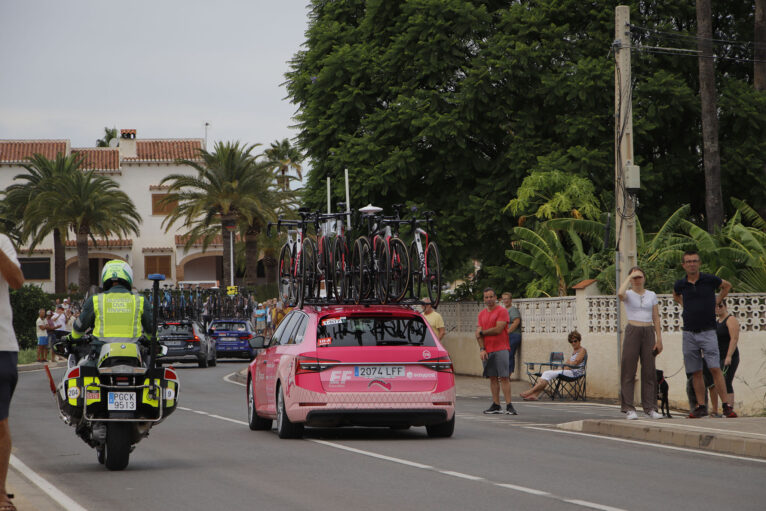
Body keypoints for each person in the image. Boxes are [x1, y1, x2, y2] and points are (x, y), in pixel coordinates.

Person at [672, 250, 735, 418]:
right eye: (688, 261)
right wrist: (684, 304)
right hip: (689, 333)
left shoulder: (709, 280)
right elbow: (675, 295)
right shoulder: (681, 284)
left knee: (715, 367)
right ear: (683, 265)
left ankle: (726, 405)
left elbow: (727, 285)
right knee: (695, 371)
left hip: (708, 331)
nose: (692, 264)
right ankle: (701, 406)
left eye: (694, 261)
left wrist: (718, 300)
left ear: (699, 263)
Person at [68, 260, 153, 363]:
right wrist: (150, 340)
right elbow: (151, 329)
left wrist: (72, 338)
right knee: (147, 369)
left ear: (105, 277)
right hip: (133, 353)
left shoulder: (96, 299)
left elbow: (79, 327)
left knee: (84, 371)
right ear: (128, 277)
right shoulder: (140, 300)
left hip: (101, 351)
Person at [618, 267, 664, 420]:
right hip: (633, 330)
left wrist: (659, 339)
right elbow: (619, 294)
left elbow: (656, 317)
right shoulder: (628, 294)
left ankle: (650, 407)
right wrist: (629, 276)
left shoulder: (651, 294)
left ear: (644, 278)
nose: (637, 280)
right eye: (634, 277)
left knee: (649, 370)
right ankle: (629, 408)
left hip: (648, 331)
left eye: (640, 277)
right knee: (629, 369)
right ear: (631, 279)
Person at [0, 232, 24, 511]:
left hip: (1, 345)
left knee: (0, 421)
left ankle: (0, 492)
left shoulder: (2, 241)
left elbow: (17, 281)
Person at [475, 288, 516, 415]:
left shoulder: (502, 311)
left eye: (491, 297)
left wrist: (482, 332)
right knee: (492, 378)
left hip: (501, 349)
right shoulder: (481, 314)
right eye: (486, 297)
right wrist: (482, 349)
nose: (489, 299)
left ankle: (509, 405)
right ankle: (496, 404)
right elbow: (478, 334)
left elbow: (498, 329)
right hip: (488, 350)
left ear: (495, 297)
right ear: (484, 299)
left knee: (504, 377)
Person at [520, 331, 587, 401]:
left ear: (579, 340)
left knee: (547, 374)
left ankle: (530, 392)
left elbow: (575, 363)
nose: (573, 343)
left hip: (575, 374)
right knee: (546, 374)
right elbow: (568, 365)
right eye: (571, 341)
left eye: (575, 341)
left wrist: (568, 364)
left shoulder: (582, 350)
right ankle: (534, 395)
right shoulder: (574, 352)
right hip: (569, 372)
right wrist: (561, 368)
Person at [710, 300, 740, 417]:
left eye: (720, 305)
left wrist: (729, 356)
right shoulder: (717, 322)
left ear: (725, 306)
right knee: (719, 382)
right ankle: (723, 408)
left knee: (726, 381)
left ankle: (729, 408)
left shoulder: (730, 319)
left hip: (730, 356)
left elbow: (734, 338)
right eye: (715, 306)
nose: (718, 308)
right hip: (719, 356)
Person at [501, 292, 522, 375]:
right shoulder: (504, 310)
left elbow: (516, 322)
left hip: (513, 335)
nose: (505, 300)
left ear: (510, 300)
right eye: (504, 299)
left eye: (507, 299)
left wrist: (507, 332)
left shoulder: (513, 310)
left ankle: (508, 374)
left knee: (509, 354)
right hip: (506, 336)